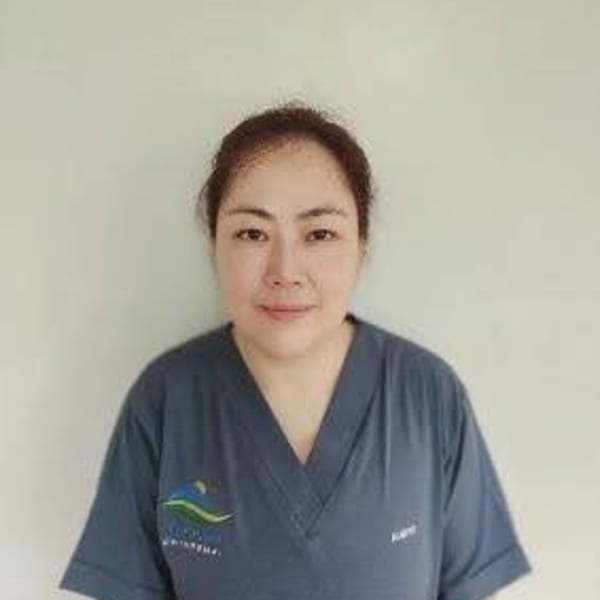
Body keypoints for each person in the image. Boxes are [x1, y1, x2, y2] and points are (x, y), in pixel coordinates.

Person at [58, 100, 532, 600]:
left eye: (320, 233)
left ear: (362, 246)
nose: (285, 271)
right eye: (252, 233)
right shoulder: (166, 400)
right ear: (214, 245)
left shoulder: (428, 396)